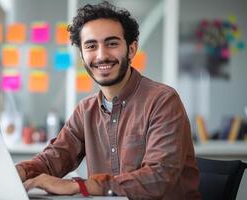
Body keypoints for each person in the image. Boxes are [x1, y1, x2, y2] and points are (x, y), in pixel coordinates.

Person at [16, 1, 201, 199]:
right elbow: (52, 161)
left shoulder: (163, 101)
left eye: (112, 44)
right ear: (82, 55)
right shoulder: (85, 110)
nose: (101, 55)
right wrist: (20, 172)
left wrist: (79, 186)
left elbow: (157, 178)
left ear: (131, 49)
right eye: (91, 46)